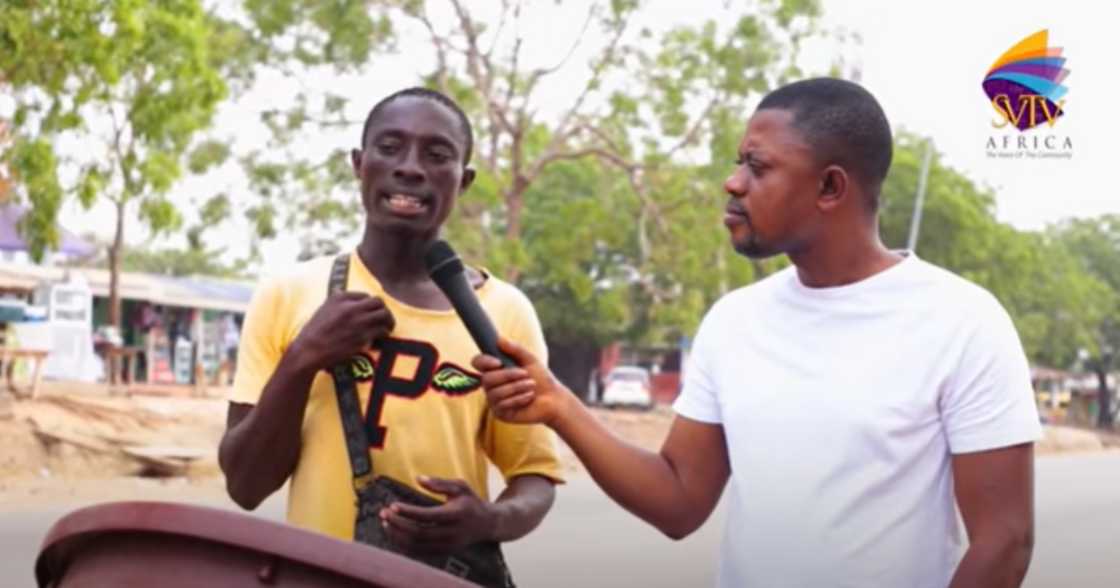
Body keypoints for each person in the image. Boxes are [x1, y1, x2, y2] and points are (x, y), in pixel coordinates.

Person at [473, 78, 1040, 588]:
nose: (732, 182)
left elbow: (1004, 542)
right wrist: (559, 406)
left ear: (830, 188)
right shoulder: (734, 320)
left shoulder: (962, 321)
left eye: (757, 167)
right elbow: (678, 501)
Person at [219, 87, 562, 583]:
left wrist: (487, 520)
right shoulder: (289, 294)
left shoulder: (504, 313)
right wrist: (304, 356)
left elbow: (534, 478)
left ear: (462, 181)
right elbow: (245, 485)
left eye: (436, 154)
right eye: (389, 147)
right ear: (360, 164)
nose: (410, 167)